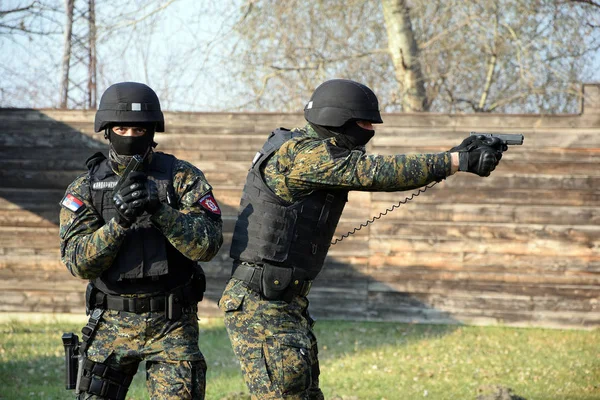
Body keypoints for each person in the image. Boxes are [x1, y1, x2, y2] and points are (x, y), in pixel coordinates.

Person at [218, 79, 506, 399]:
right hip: (261, 305)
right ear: (336, 120)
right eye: (364, 123)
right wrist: (455, 161)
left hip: (284, 301)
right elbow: (376, 171)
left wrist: (455, 154)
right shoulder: (301, 154)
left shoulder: (313, 151)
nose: (370, 131)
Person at [59, 82, 223, 400]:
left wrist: (160, 211)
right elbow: (77, 261)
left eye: (139, 129)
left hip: (172, 323)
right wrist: (118, 224)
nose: (130, 136)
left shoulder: (182, 178)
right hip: (110, 322)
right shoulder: (86, 187)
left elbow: (208, 245)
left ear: (151, 131)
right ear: (107, 131)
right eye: (122, 127)